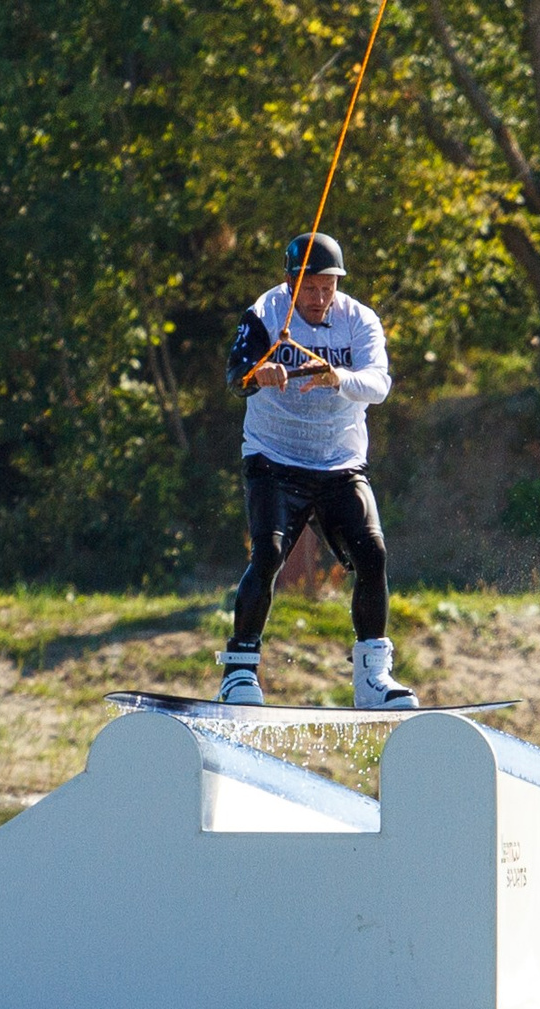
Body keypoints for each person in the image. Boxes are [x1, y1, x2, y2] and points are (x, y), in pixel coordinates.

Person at [218, 233, 415, 709]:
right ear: (290, 282)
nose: (319, 297)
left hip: (339, 464)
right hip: (273, 461)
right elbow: (236, 374)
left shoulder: (359, 319)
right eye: (310, 288)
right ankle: (239, 673)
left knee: (372, 555)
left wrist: (336, 377)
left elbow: (378, 383)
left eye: (328, 286)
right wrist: (259, 373)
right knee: (267, 556)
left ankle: (372, 678)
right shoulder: (266, 314)